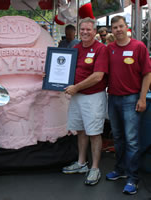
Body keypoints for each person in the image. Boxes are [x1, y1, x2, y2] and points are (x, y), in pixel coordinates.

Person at [106, 15, 151, 195]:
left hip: (131, 99)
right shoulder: (109, 49)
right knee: (117, 137)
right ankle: (120, 170)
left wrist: (141, 98)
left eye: (121, 26)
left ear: (127, 28)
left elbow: (148, 74)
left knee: (132, 140)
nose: (118, 30)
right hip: (113, 98)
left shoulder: (138, 47)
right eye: (115, 27)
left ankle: (133, 178)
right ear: (112, 30)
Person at [62, 17, 108, 186]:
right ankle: (82, 163)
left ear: (95, 31)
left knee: (94, 133)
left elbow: (98, 76)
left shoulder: (100, 49)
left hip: (93, 97)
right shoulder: (76, 48)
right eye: (82, 29)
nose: (85, 32)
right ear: (78, 31)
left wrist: (76, 87)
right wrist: (53, 77)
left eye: (89, 29)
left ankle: (95, 168)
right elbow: (65, 70)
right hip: (77, 96)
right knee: (80, 131)